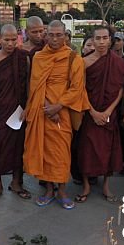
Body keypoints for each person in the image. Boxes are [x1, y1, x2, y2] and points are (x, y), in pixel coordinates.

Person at [24, 21, 88, 208]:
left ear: (65, 36)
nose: (54, 38)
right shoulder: (38, 57)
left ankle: (61, 190)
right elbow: (36, 87)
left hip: (63, 113)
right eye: (50, 34)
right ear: (45, 34)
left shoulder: (73, 58)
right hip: (43, 112)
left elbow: (77, 88)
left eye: (58, 35)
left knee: (60, 153)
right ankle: (49, 189)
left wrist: (58, 106)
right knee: (44, 152)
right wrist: (48, 108)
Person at [77, 24, 124, 202]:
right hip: (89, 113)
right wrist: (92, 112)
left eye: (104, 38)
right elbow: (79, 90)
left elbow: (120, 88)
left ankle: (106, 185)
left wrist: (108, 111)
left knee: (109, 150)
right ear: (92, 40)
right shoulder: (83, 62)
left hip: (109, 113)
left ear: (110, 40)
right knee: (86, 149)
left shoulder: (118, 62)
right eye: (97, 38)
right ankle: (86, 186)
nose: (101, 42)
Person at [0, 24, 30, 201]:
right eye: (7, 40)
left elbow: (28, 85)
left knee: (18, 148)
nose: (10, 43)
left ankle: (17, 182)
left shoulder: (24, 58)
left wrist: (27, 108)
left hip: (18, 111)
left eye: (13, 40)